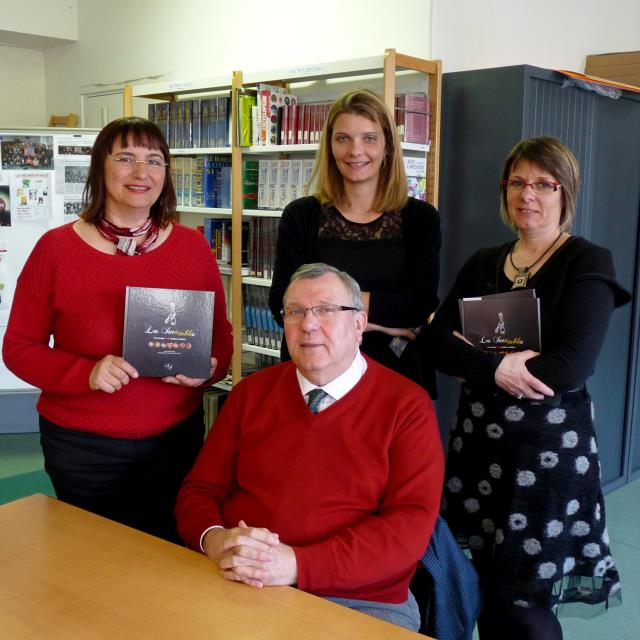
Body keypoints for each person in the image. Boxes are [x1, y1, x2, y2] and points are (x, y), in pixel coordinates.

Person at [426, 137, 629, 639]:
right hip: (478, 449)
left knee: (526, 603)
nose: (528, 194)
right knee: (484, 585)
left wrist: (471, 358)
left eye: (543, 183)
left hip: (546, 461)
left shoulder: (587, 262)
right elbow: (433, 343)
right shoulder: (483, 262)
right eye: (517, 182)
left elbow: (569, 367)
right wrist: (497, 369)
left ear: (566, 192)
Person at [176, 263, 444, 632]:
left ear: (359, 324)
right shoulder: (250, 394)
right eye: (295, 312)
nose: (309, 324)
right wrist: (215, 539)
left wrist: (297, 565)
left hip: (360, 599)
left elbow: (407, 531)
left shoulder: (407, 406)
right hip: (245, 577)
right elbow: (199, 491)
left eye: (327, 310)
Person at [2, 117, 233, 543]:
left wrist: (210, 367)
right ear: (100, 168)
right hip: (83, 447)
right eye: (125, 158)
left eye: (154, 160)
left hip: (175, 441)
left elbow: (221, 339)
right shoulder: (56, 249)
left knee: (171, 560)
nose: (141, 172)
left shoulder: (192, 247)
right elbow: (19, 347)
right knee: (94, 561)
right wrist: (84, 373)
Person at [268, 89, 440, 395]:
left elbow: (419, 305)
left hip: (396, 375)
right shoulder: (301, 216)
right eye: (343, 138)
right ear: (330, 146)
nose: (355, 150)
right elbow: (282, 302)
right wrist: (382, 321)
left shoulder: (420, 219)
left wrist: (323, 308)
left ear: (387, 145)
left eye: (369, 138)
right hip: (316, 377)